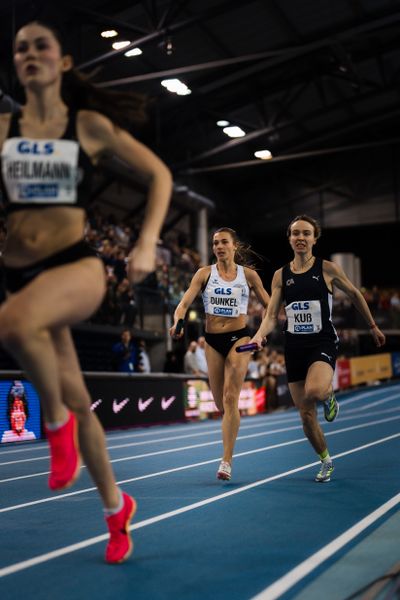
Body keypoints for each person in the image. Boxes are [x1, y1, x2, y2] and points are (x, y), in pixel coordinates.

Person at [0, 21, 172, 563]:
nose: (30, 53)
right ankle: (116, 509)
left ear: (63, 62)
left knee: (12, 324)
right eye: (20, 48)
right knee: (83, 401)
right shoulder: (2, 128)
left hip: (74, 266)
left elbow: (160, 175)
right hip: (20, 273)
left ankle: (55, 423)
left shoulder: (88, 126)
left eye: (40, 45)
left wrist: (146, 243)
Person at [250, 215, 385, 483]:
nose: (300, 237)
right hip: (294, 346)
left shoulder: (328, 269)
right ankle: (326, 460)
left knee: (315, 390)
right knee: (306, 413)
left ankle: (329, 395)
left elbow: (355, 294)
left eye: (306, 233)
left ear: (315, 238)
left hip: (322, 341)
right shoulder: (280, 275)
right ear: (289, 238)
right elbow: (271, 315)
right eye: (295, 233)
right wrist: (258, 336)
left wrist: (372, 325)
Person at [170, 227, 270, 481]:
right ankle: (230, 432)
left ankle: (226, 460)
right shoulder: (204, 274)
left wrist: (261, 333)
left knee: (229, 397)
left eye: (224, 242)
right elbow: (183, 304)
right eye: (215, 243)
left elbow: (271, 306)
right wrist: (178, 321)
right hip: (212, 340)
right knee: (220, 405)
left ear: (234, 246)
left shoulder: (249, 276)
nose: (219, 246)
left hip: (240, 338)